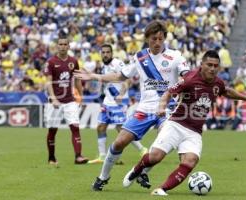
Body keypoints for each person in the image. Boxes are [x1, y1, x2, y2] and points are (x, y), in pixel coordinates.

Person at [122, 50, 246, 196]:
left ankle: (161, 189)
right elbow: (169, 92)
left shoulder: (217, 82)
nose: (212, 69)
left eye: (216, 66)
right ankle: (136, 171)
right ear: (202, 64)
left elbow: (226, 91)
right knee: (155, 157)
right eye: (209, 65)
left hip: (194, 131)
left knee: (190, 161)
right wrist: (162, 106)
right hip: (176, 124)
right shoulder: (190, 79)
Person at [74, 20, 190, 191]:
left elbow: (187, 75)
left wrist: (184, 82)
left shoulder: (175, 56)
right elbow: (121, 76)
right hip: (144, 109)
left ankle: (143, 171)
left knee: (164, 142)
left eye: (160, 39)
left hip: (167, 108)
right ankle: (102, 177)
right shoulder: (140, 57)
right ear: (147, 39)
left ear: (165, 38)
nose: (157, 42)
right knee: (120, 142)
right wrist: (93, 76)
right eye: (153, 39)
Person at [88, 44, 148, 164]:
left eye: (107, 52)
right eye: (103, 52)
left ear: (111, 53)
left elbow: (127, 79)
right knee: (100, 127)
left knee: (121, 129)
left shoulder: (117, 63)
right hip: (107, 101)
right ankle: (102, 156)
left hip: (118, 102)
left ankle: (143, 150)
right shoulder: (102, 66)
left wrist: (121, 94)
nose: (105, 54)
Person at [44, 34, 88, 165]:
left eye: (65, 44)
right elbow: (48, 82)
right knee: (52, 130)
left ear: (68, 46)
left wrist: (81, 96)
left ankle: (78, 156)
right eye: (60, 44)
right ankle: (51, 158)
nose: (63, 46)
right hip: (55, 102)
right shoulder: (51, 62)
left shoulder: (73, 61)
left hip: (70, 100)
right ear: (57, 46)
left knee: (75, 127)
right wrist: (53, 98)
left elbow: (78, 80)